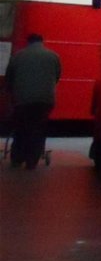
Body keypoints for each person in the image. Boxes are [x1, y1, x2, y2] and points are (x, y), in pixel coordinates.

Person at [6, 33, 61, 170]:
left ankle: (17, 158)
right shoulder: (53, 56)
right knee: (38, 128)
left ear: (28, 42)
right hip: (45, 100)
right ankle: (32, 160)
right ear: (42, 41)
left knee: (21, 128)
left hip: (22, 100)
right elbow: (57, 76)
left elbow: (9, 77)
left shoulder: (18, 56)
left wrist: (12, 93)